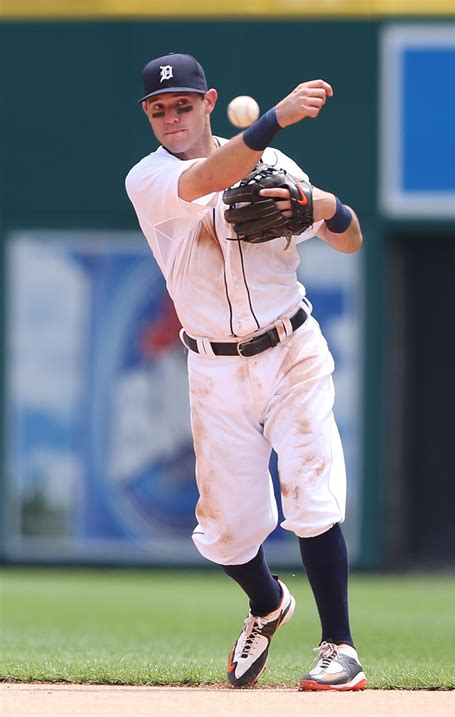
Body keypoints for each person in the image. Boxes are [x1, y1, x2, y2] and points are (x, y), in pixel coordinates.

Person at [126, 52, 367, 692]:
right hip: (214, 368)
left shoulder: (275, 166)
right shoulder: (147, 178)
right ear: (148, 117)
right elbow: (209, 177)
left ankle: (339, 647)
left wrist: (324, 203)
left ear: (209, 103)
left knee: (311, 494)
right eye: (159, 109)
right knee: (227, 529)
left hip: (292, 350)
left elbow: (350, 237)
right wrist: (275, 121)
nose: (171, 116)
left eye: (184, 104)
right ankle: (267, 605)